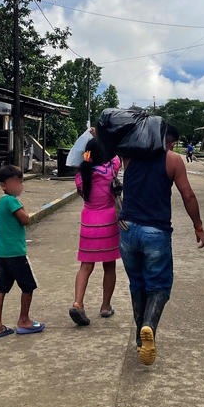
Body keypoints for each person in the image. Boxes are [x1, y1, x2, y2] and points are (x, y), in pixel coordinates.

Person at [119, 123, 204, 366]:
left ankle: (140, 338)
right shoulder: (173, 160)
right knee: (159, 284)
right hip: (155, 231)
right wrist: (198, 226)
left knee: (137, 283)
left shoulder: (129, 155)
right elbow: (188, 195)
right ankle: (149, 327)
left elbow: (108, 143)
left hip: (127, 230)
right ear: (169, 142)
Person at [69, 139, 121, 326]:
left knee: (85, 266)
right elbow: (117, 155)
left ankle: (78, 302)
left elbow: (83, 193)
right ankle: (106, 306)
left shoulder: (81, 176)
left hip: (88, 224)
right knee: (109, 266)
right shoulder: (111, 169)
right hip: (109, 223)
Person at [0, 164, 45, 339]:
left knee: (1, 288)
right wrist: (24, 207)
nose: (18, 186)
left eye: (20, 182)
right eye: (14, 182)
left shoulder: (1, 202)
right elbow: (25, 220)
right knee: (28, 286)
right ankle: (24, 320)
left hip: (2, 253)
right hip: (16, 253)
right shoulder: (12, 201)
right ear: (4, 186)